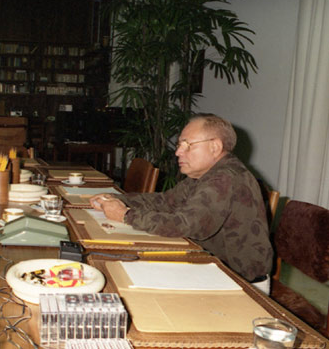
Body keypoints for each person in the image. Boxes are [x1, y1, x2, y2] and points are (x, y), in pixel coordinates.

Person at [90, 114, 273, 292]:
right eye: (179, 145)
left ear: (215, 147)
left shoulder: (224, 178)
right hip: (210, 267)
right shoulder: (206, 174)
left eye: (187, 145)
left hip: (240, 284)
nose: (178, 152)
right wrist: (118, 199)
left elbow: (186, 225)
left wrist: (125, 215)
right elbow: (164, 201)